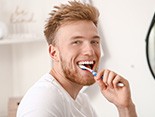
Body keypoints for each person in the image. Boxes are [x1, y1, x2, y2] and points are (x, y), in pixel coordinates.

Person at [17, 1, 137, 117]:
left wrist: (125, 107)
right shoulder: (42, 100)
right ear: (54, 53)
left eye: (94, 41)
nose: (90, 51)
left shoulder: (81, 100)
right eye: (76, 42)